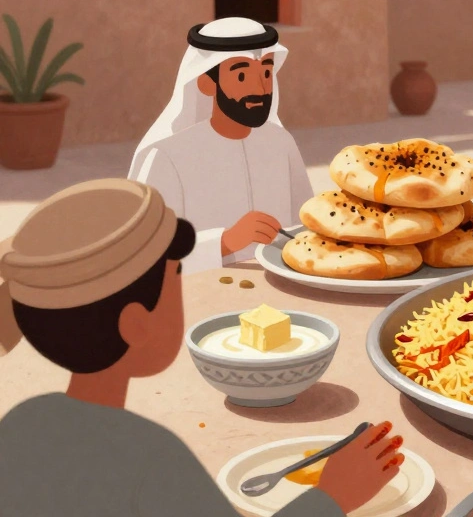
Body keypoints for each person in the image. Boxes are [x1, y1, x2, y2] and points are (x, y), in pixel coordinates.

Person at [0, 179, 403, 516]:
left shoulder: (23, 421)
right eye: (176, 277)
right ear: (136, 324)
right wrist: (331, 496)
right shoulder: (150, 458)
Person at [128, 18, 313, 272]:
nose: (260, 89)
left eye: (266, 73)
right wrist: (225, 242)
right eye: (241, 75)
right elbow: (146, 256)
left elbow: (307, 226)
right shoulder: (166, 157)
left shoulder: (281, 143)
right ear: (207, 83)